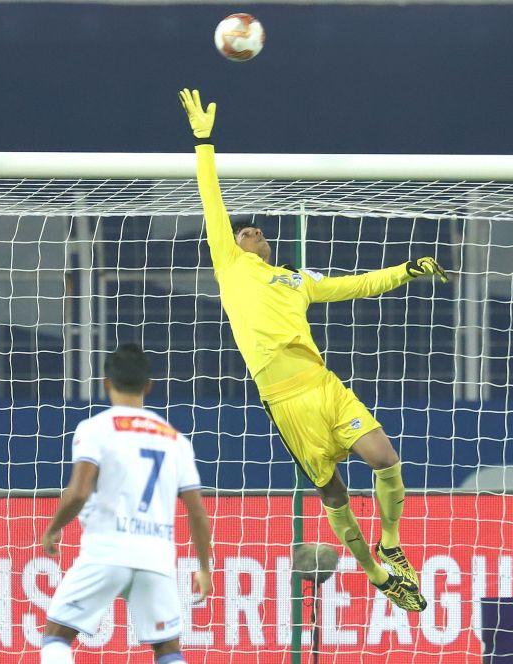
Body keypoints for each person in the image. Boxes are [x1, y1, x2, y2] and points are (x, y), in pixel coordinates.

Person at [178, 87, 450, 612]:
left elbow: (354, 285)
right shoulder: (230, 267)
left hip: (322, 384)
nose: (247, 230)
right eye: (240, 231)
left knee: (384, 457)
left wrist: (406, 271)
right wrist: (203, 141)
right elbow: (211, 199)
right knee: (334, 495)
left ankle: (389, 542)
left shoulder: (295, 279)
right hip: (284, 398)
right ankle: (374, 572)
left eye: (255, 230)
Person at [26, 343, 213, 664]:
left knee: (57, 635)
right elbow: (197, 511)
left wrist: (54, 528)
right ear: (149, 385)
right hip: (156, 555)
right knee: (168, 650)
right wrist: (203, 566)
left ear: (106, 383)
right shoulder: (175, 439)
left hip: (106, 550)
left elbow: (79, 490)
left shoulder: (96, 428)